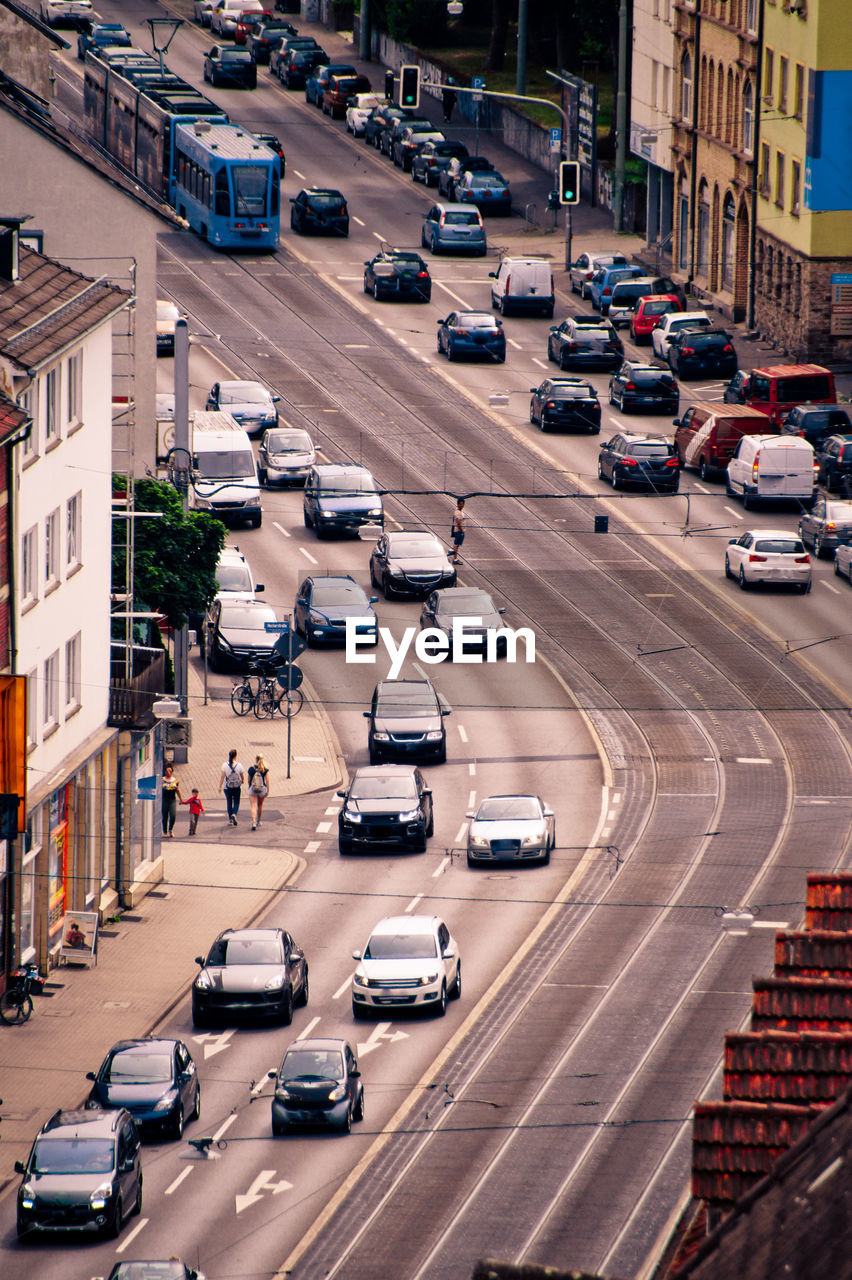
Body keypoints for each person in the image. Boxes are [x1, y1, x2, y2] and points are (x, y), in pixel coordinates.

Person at [220, 749, 245, 826]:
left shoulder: (224, 765)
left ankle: (230, 820)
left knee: (229, 802)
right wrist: (242, 781)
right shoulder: (239, 765)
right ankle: (234, 813)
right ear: (236, 756)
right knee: (236, 801)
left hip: (227, 787)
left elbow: (222, 776)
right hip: (237, 787)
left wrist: (220, 786)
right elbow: (242, 776)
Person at [247, 755, 270, 830]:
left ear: (255, 760)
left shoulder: (251, 769)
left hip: (253, 789)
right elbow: (267, 780)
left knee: (253, 806)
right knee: (260, 805)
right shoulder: (265, 769)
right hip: (262, 789)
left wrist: (250, 786)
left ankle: (253, 822)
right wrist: (268, 790)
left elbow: (249, 779)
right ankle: (258, 821)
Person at [161, 764, 183, 838]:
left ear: (172, 772)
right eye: (167, 771)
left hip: (172, 800)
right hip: (164, 799)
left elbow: (177, 790)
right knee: (165, 815)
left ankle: (170, 829)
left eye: (170, 771)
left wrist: (181, 799)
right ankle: (164, 831)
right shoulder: (162, 780)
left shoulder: (175, 781)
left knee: (173, 815)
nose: (168, 772)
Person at [449, 497, 466, 564]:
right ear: (458, 504)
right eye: (461, 504)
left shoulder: (460, 511)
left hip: (460, 531)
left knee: (457, 545)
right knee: (456, 545)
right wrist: (461, 531)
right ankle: (454, 558)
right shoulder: (457, 512)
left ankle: (454, 558)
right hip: (459, 531)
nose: (462, 505)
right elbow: (458, 522)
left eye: (463, 504)